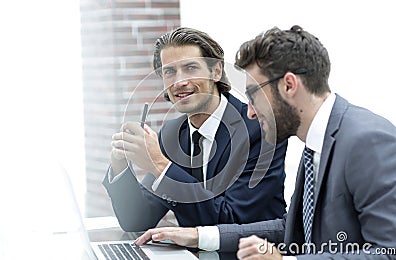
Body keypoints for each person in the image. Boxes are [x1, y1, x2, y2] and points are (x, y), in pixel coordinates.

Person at [135, 25, 396, 259]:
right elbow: (291, 229)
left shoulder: (367, 141)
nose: (249, 111)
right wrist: (198, 236)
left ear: (288, 85)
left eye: (253, 95)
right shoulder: (316, 143)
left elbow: (391, 252)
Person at [103, 27, 288, 243]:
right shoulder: (172, 134)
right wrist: (120, 165)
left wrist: (161, 166)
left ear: (216, 71)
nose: (179, 82)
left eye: (190, 68)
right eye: (169, 72)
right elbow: (137, 220)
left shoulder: (260, 130)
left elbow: (231, 220)